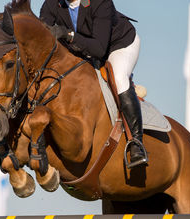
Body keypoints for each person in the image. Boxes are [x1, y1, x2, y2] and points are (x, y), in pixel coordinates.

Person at [40, 0, 148, 168]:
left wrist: (69, 35)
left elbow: (98, 49)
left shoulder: (100, 2)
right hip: (82, 50)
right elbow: (42, 37)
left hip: (118, 45)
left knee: (119, 77)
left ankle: (136, 143)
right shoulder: (52, 4)